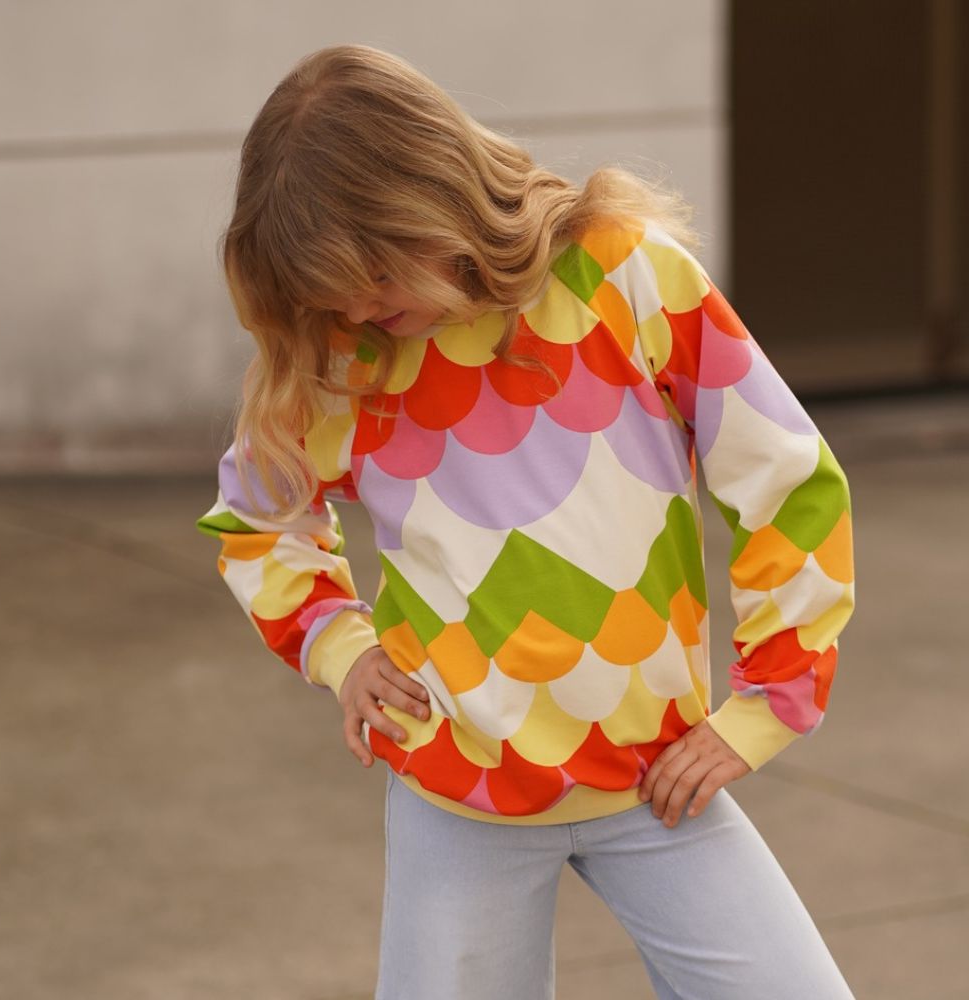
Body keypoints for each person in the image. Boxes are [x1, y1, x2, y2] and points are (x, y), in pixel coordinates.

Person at [197, 44, 856, 1000]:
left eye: (375, 273)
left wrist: (767, 701)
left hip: (657, 779)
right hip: (456, 797)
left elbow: (788, 481)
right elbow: (258, 522)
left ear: (434, 197)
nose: (359, 306)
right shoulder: (342, 354)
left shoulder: (623, 273)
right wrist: (338, 646)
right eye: (331, 292)